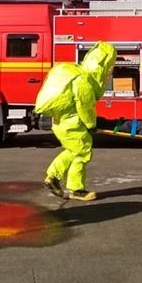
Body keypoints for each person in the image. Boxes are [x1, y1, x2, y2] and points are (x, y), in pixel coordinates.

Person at [36, 41, 116, 202]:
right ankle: (76, 189)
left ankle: (52, 177)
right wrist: (91, 125)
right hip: (72, 123)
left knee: (73, 150)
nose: (111, 69)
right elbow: (85, 107)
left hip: (61, 121)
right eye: (110, 64)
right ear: (102, 65)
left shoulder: (76, 73)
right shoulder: (83, 81)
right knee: (83, 151)